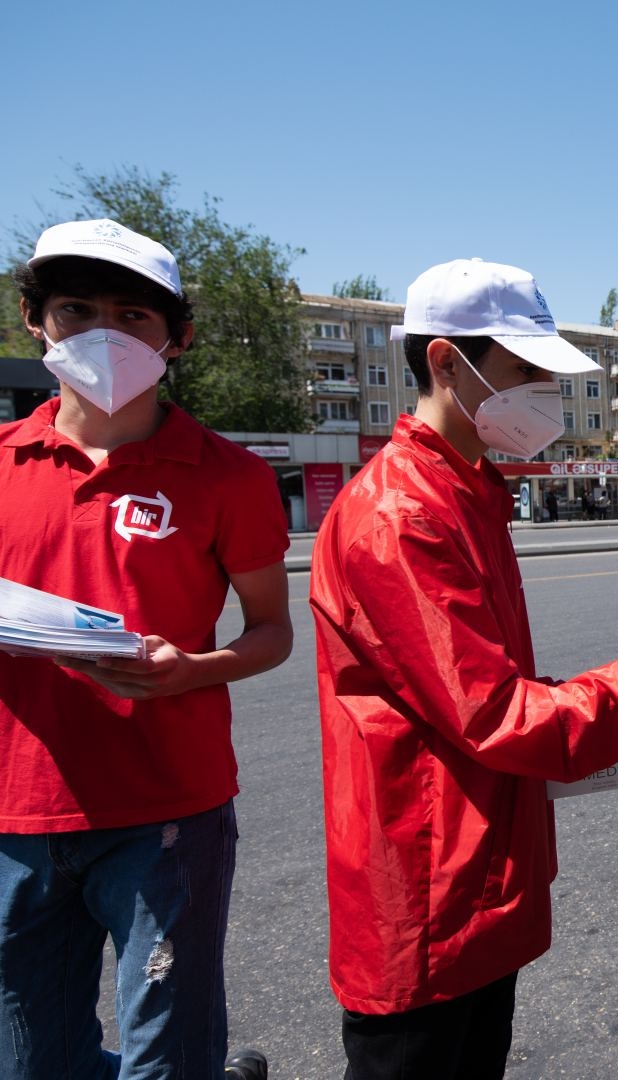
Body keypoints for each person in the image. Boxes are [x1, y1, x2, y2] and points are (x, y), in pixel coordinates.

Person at [309, 258, 618, 1079]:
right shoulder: (402, 514)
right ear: (444, 362)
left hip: (470, 877)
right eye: (524, 370)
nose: (541, 389)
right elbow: (498, 714)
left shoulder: (464, 492)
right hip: (427, 896)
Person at [0, 219, 292, 1080]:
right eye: (76, 308)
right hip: (17, 816)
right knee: (29, 1065)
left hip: (168, 816)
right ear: (34, 320)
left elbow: (271, 631)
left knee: (168, 1061)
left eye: (131, 315)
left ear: (179, 337)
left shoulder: (228, 475)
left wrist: (195, 671)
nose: (103, 333)